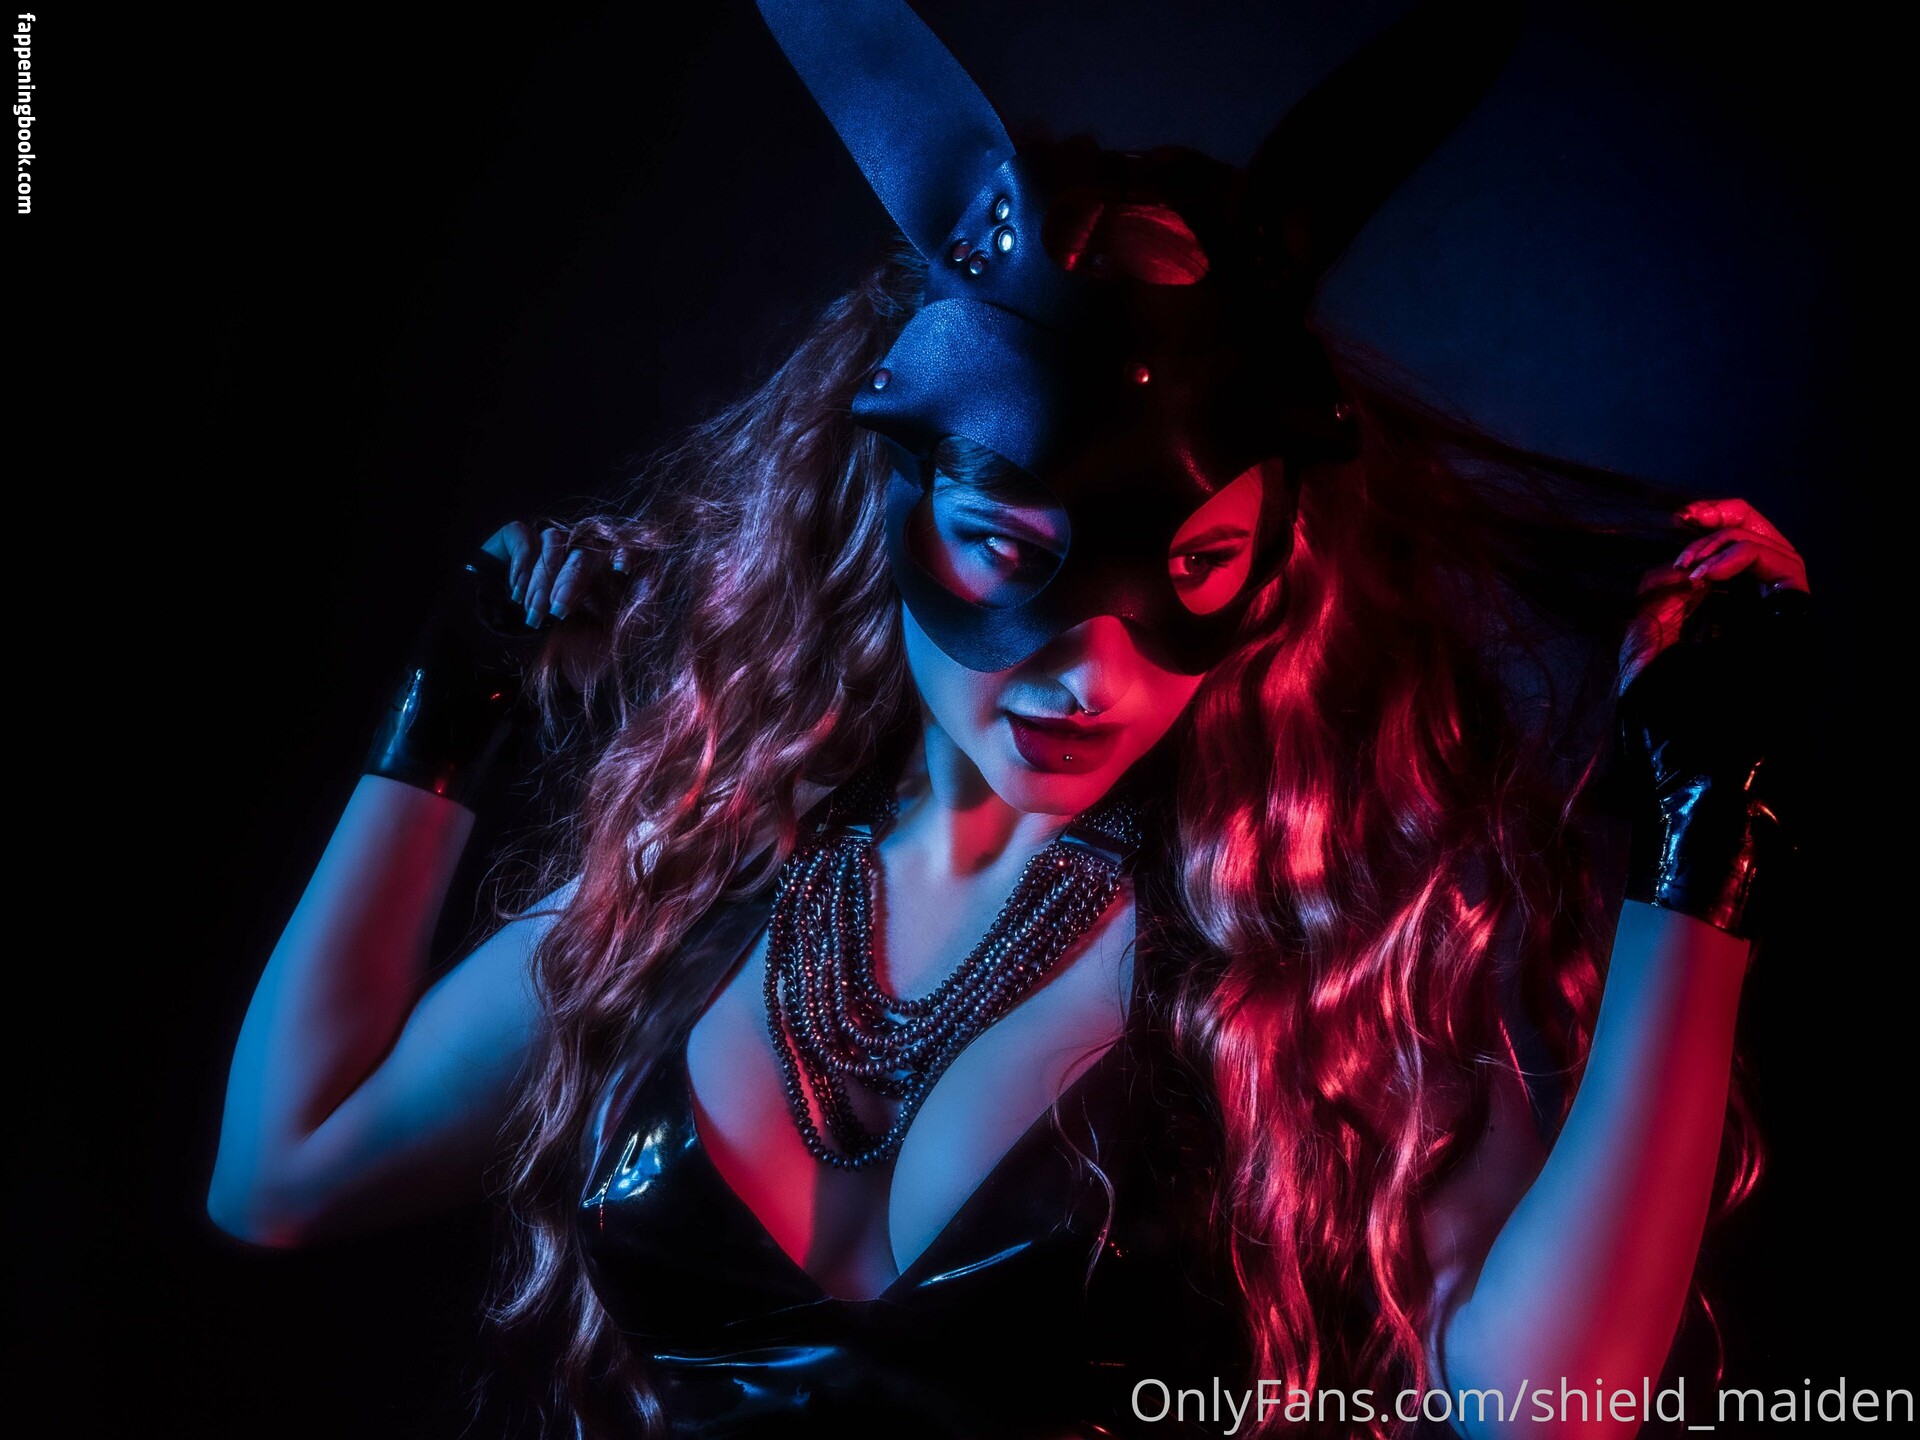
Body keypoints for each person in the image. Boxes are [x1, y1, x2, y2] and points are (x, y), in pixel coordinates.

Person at [206, 2, 1818, 1436]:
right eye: (1006, 550)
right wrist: (444, 713)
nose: (1088, 674)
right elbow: (281, 1171)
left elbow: (1549, 1407)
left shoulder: (1315, 979)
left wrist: (1701, 856)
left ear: (1272, 565)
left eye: (1193, 570)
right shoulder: (690, 900)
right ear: (892, 507)